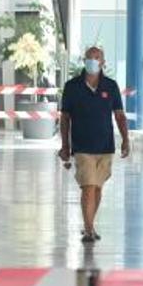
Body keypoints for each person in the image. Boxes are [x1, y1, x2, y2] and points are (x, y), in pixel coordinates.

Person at [58, 47, 129, 244]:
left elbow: (119, 115)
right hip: (82, 147)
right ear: (84, 60)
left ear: (103, 61)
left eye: (96, 57)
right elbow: (65, 118)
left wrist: (126, 139)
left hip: (105, 146)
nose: (92, 60)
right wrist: (65, 145)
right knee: (88, 187)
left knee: (97, 189)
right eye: (89, 57)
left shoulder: (111, 86)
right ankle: (88, 230)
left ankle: (90, 224)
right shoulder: (72, 86)